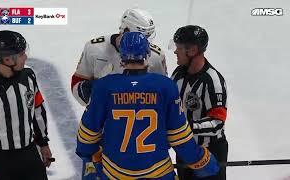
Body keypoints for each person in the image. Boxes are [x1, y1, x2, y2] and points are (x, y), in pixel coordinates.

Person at [76, 32, 219, 179]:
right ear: (147, 54)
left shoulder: (103, 86)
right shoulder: (165, 86)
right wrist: (201, 160)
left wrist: (91, 156)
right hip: (159, 172)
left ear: (121, 55)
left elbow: (87, 135)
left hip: (114, 173)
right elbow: (179, 136)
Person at [0, 30, 52, 180]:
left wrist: (43, 143)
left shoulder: (29, 76)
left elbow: (37, 110)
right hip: (0, 160)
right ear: (7, 60)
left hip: (29, 153)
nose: (25, 57)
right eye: (21, 55)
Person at [71, 8, 168, 106]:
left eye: (147, 36)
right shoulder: (94, 48)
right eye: (142, 36)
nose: (145, 41)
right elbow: (77, 83)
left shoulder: (156, 57)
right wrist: (97, 92)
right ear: (126, 30)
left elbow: (164, 93)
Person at [170, 25, 228, 180]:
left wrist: (188, 127)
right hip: (185, 148)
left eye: (179, 48)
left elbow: (217, 122)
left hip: (210, 152)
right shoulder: (178, 74)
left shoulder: (213, 81)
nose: (175, 51)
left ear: (193, 50)